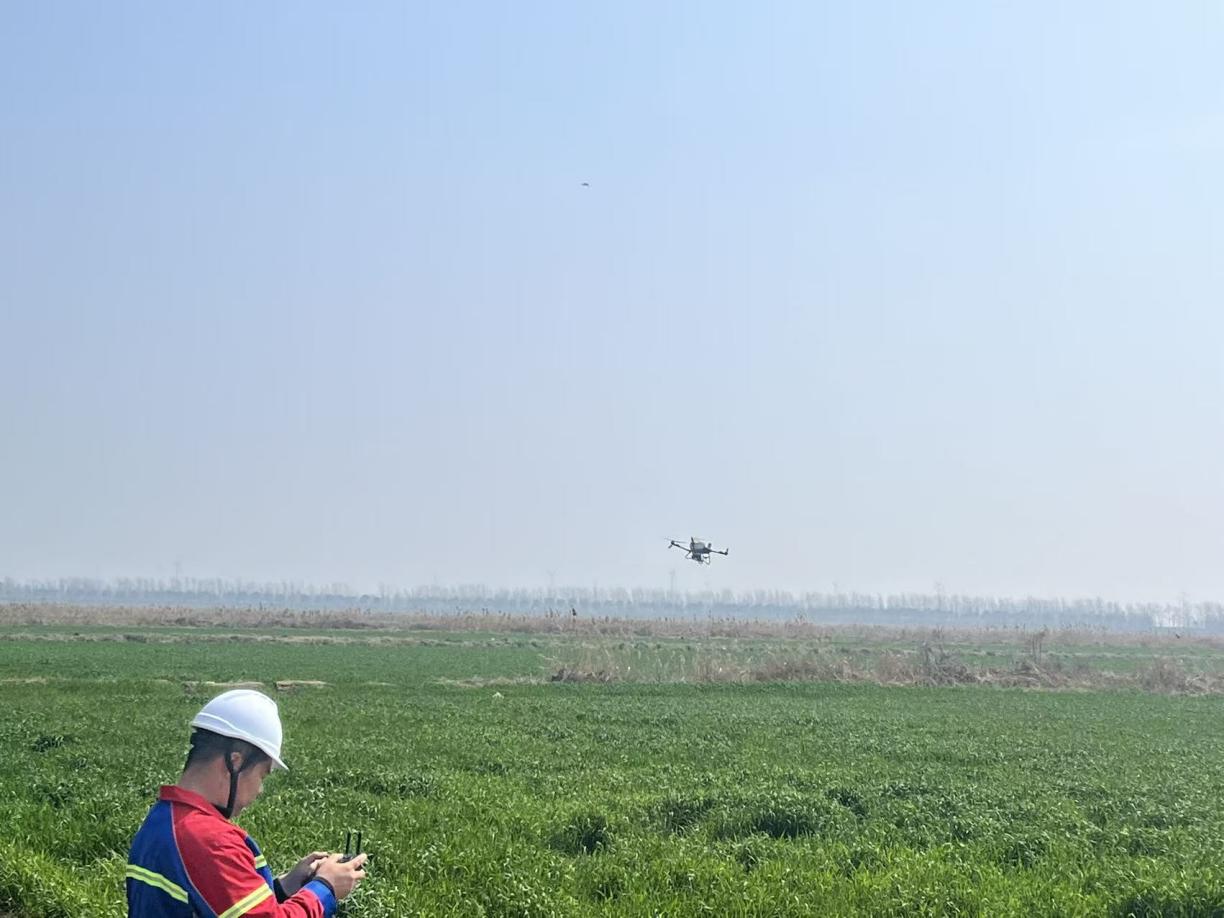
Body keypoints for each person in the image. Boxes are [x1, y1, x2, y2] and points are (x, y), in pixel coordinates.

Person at [126, 689, 366, 917]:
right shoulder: (210, 840)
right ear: (235, 762)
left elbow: (215, 904)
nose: (260, 790)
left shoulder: (161, 819)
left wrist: (285, 887)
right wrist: (325, 887)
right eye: (262, 776)